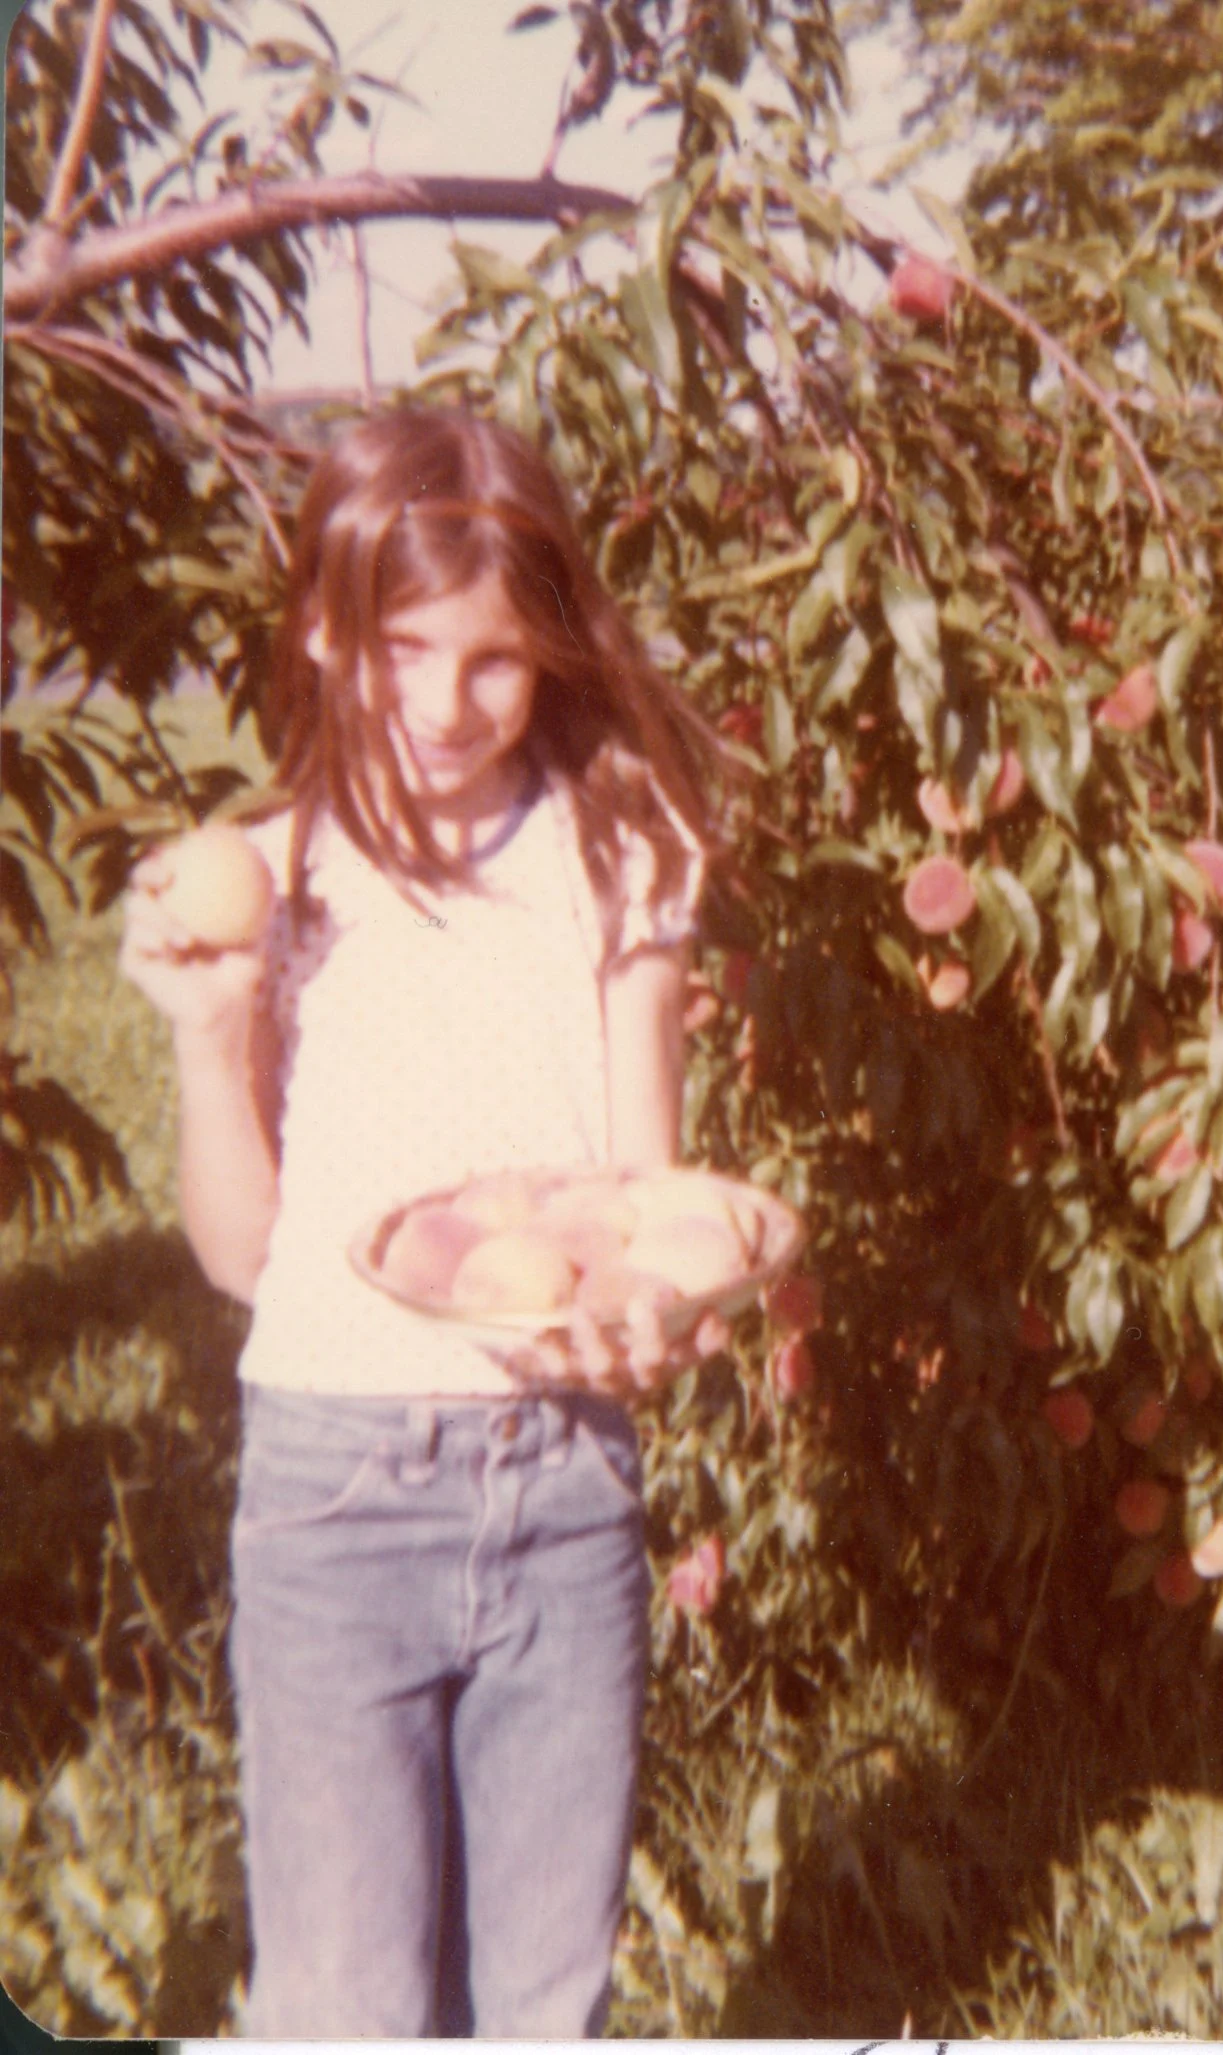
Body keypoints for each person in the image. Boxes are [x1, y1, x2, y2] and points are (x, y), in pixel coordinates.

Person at [119, 409, 718, 2037]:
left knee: (544, 2002)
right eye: (401, 652)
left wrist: (668, 1297)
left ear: (551, 655)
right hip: (335, 1499)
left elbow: (641, 1198)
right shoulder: (274, 872)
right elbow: (246, 1259)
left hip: (564, 1487)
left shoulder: (623, 855)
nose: (446, 709)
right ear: (324, 628)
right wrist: (208, 1029)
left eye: (496, 664)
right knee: (346, 2008)